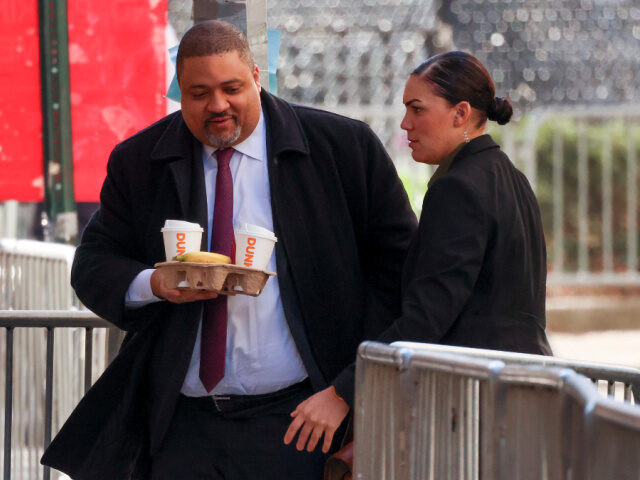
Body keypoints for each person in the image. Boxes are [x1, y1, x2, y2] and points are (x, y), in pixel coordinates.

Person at [41, 20, 417, 480]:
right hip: (181, 425)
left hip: (301, 420)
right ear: (179, 92)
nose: (217, 106)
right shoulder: (141, 162)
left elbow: (399, 273)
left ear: (257, 77)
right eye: (199, 93)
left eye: (232, 87)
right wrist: (155, 283)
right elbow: (93, 264)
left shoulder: (342, 149)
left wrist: (346, 391)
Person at [376, 50, 553, 353]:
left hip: (478, 386)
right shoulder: (510, 176)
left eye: (417, 110)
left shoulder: (457, 187)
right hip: (520, 378)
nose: (406, 124)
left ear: (460, 114)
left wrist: (350, 381)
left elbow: (429, 315)